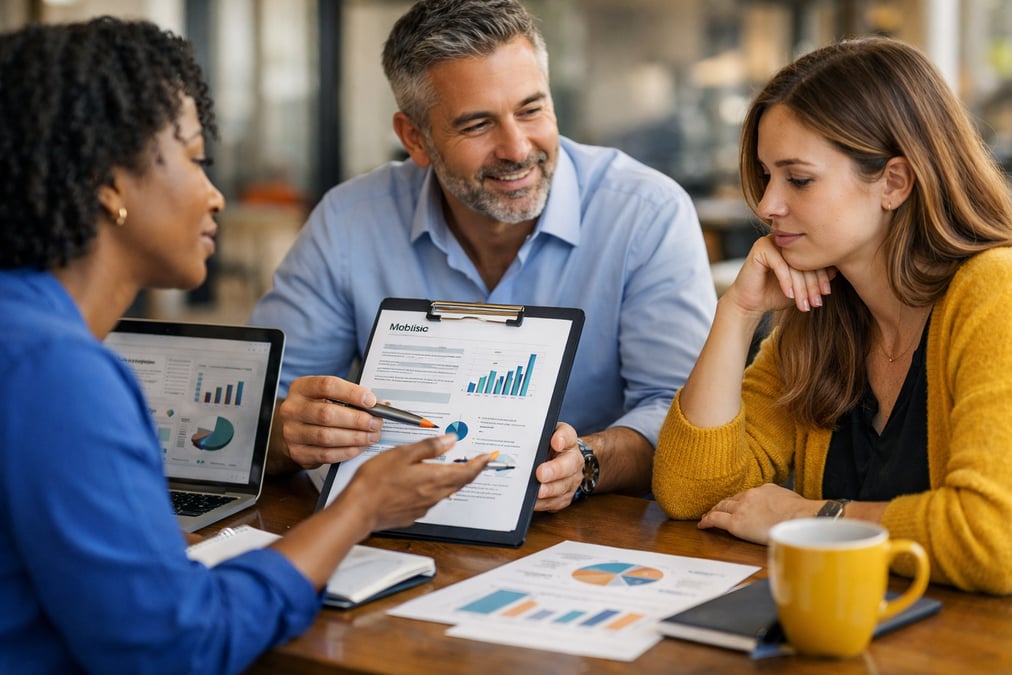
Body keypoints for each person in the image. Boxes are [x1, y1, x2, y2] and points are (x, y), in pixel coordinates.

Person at [0, 17, 491, 674]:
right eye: (196, 159)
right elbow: (177, 648)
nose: (215, 195)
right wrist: (362, 506)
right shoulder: (59, 374)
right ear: (110, 183)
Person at [250, 0, 716, 510]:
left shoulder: (646, 214)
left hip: (589, 534)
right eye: (477, 125)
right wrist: (287, 432)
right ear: (415, 138)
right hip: (399, 528)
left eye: (531, 109)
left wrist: (588, 461)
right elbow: (259, 404)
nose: (517, 148)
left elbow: (682, 423)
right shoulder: (349, 220)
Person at [653, 37, 1012, 595]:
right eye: (767, 175)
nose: (768, 204)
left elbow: (994, 538)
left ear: (893, 181)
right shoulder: (821, 315)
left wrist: (812, 520)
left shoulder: (995, 292)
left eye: (798, 179)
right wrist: (739, 312)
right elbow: (691, 492)